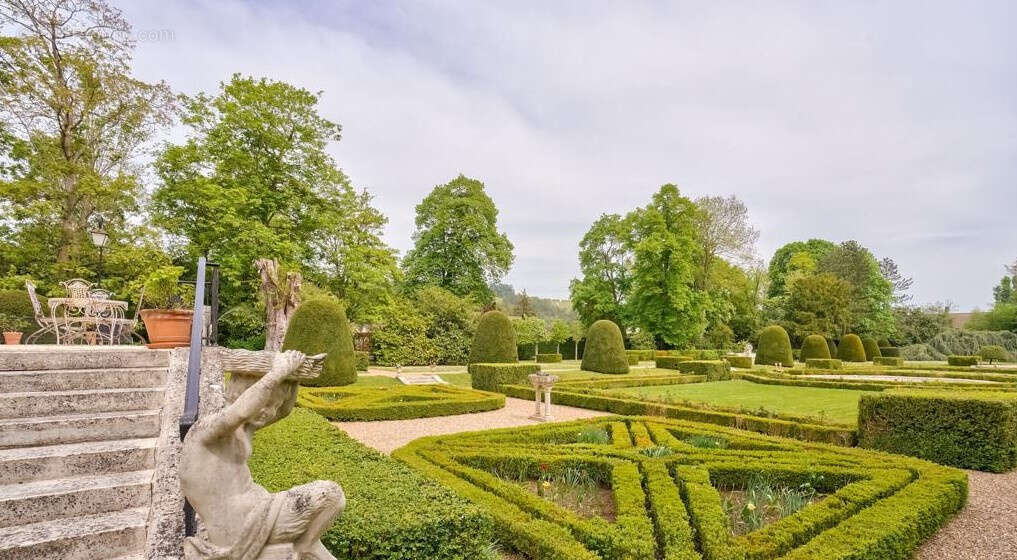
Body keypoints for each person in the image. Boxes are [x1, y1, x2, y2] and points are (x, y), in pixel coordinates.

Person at [180, 350, 344, 560]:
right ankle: (302, 547)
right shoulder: (205, 431)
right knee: (330, 494)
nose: (269, 411)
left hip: (253, 515)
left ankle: (304, 546)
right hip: (241, 525)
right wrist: (276, 374)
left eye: (273, 406)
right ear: (241, 394)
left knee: (328, 505)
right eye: (266, 403)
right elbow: (239, 411)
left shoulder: (245, 428)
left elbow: (284, 411)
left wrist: (294, 378)